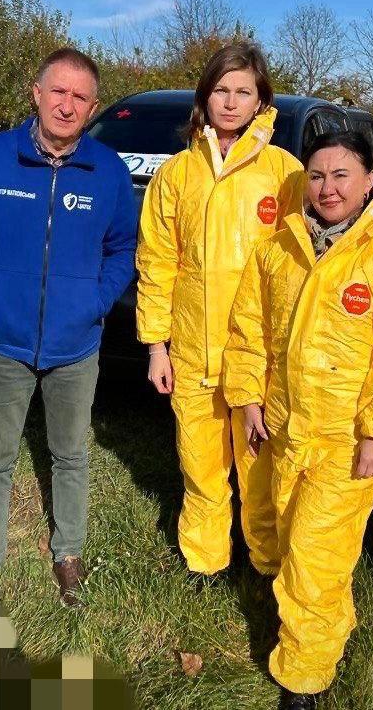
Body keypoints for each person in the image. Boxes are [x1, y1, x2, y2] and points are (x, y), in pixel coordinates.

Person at [224, 130, 373, 709]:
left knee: (317, 558)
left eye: (342, 176)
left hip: (345, 440)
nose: (328, 187)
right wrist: (247, 399)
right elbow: (248, 333)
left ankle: (303, 678)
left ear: (370, 182)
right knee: (286, 535)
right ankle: (308, 622)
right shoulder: (278, 250)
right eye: (316, 176)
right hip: (284, 430)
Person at [0, 47, 137, 607]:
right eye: (58, 91)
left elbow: (123, 246)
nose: (67, 105)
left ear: (93, 105)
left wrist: (94, 303)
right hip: (2, 339)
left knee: (71, 453)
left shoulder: (108, 171)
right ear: (36, 91)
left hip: (76, 344)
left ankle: (68, 551)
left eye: (80, 97)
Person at [136, 42, 302, 579]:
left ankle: (266, 563)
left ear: (261, 101)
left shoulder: (286, 173)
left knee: (260, 471)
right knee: (201, 467)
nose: (230, 104)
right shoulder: (176, 175)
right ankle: (205, 562)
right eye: (221, 91)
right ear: (204, 98)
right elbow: (157, 262)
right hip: (191, 352)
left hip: (259, 357)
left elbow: (303, 266)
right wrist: (157, 346)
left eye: (243, 92)